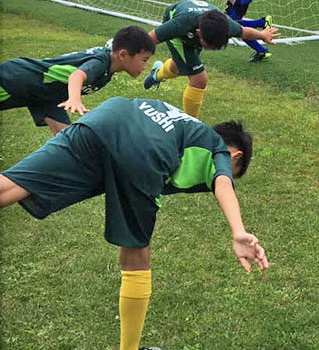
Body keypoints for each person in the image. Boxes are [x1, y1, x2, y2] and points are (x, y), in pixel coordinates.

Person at [0, 96, 269, 350]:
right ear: (237, 157)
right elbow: (223, 182)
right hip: (144, 152)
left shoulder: (182, 122)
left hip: (103, 118)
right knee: (137, 256)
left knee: (10, 186)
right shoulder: (218, 148)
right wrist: (238, 231)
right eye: (236, 172)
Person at [0, 26, 154, 134]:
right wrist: (75, 100)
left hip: (47, 96)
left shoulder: (108, 66)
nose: (145, 66)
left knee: (67, 139)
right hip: (17, 79)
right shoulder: (102, 62)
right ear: (122, 55)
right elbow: (77, 75)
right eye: (144, 60)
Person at [143, 0, 279, 118]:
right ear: (198, 33)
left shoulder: (226, 25)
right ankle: (190, 125)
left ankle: (157, 74)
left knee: (179, 67)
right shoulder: (179, 25)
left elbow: (244, 31)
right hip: (178, 30)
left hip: (195, 27)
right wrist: (131, 54)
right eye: (208, 45)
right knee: (199, 80)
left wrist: (262, 35)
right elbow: (149, 39)